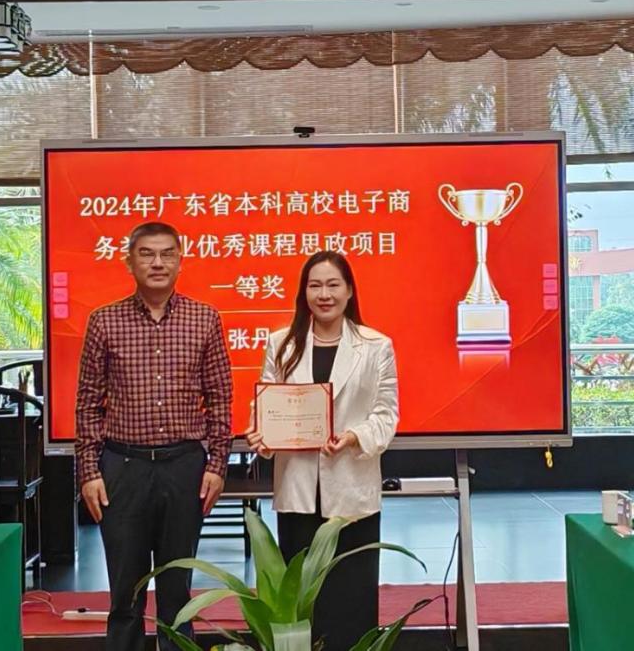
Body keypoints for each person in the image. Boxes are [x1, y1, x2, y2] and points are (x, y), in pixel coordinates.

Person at [75, 221, 233, 651]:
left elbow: (220, 398)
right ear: (130, 262)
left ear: (181, 261)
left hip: (185, 467)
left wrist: (217, 465)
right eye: (146, 254)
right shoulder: (104, 321)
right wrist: (89, 471)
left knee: (177, 593)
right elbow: (88, 403)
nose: (157, 263)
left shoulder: (205, 319)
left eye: (167, 254)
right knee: (125, 594)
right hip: (122, 468)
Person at [247, 251, 399, 650]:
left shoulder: (376, 346)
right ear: (304, 293)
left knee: (351, 600)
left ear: (349, 291)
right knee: (301, 606)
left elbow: (386, 416)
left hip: (351, 496)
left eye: (333, 285)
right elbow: (265, 406)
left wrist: (354, 437)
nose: (324, 294)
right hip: (298, 492)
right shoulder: (281, 344)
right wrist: (262, 435)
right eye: (315, 285)